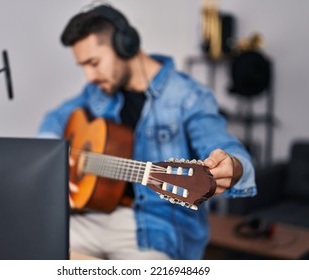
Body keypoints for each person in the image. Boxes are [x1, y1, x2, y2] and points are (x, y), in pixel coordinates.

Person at [37, 2, 257, 260]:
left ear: (125, 44)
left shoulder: (189, 97)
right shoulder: (95, 92)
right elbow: (53, 120)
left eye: (93, 62)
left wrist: (232, 166)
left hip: (155, 229)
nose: (89, 77)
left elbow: (224, 145)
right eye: (82, 66)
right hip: (92, 216)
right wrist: (59, 157)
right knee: (27, 244)